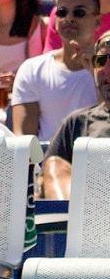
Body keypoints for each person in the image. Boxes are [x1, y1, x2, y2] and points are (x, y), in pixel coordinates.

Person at [12, 0, 102, 141]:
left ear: (98, 22)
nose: (69, 18)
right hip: (47, 162)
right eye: (62, 12)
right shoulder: (32, 69)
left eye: (79, 13)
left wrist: (97, 73)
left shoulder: (107, 68)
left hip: (99, 160)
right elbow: (24, 141)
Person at [43, 32, 110, 199]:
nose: (107, 70)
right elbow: (49, 177)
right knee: (54, 165)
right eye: (101, 61)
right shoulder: (78, 122)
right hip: (89, 213)